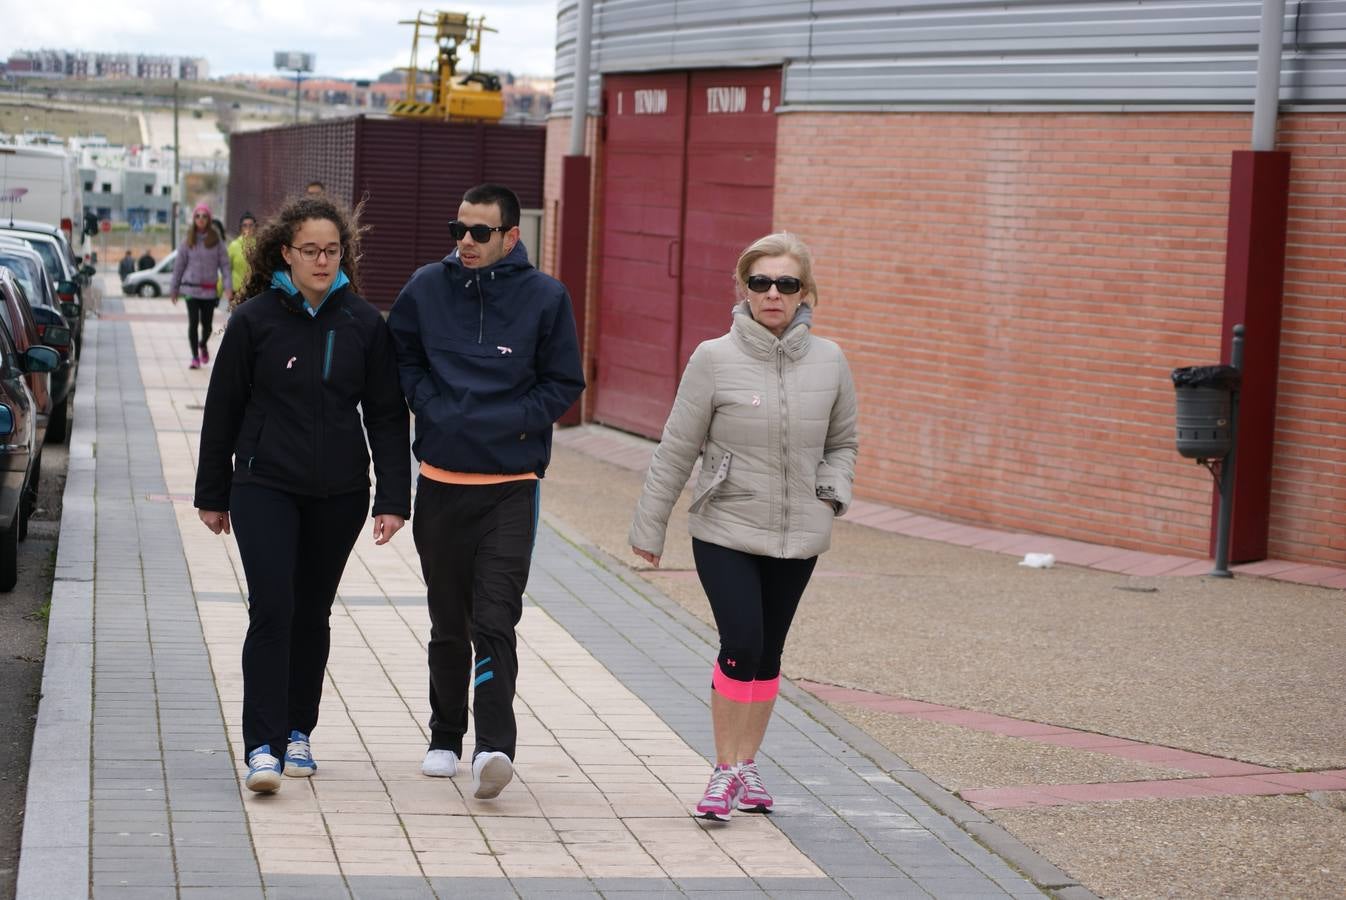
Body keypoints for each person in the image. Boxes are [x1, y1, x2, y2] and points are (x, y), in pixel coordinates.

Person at [628, 232, 858, 822]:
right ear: (744, 290)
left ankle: (747, 762)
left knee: (769, 653)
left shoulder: (831, 360)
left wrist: (831, 493)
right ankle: (725, 769)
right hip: (725, 526)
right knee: (742, 643)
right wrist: (649, 529)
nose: (772, 293)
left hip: (800, 532)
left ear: (805, 291)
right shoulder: (713, 358)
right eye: (760, 282)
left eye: (785, 283)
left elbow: (843, 442)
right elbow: (676, 449)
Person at [194, 194, 412, 794]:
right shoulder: (254, 321)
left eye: (332, 250)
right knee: (273, 607)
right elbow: (223, 410)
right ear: (285, 253)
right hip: (263, 484)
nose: (322, 260)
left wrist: (394, 497)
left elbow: (388, 416)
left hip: (339, 493)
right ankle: (261, 745)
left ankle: (297, 730)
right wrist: (213, 492)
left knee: (312, 612)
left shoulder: (364, 324)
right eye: (310, 250)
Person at [388, 183, 584, 800]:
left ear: (510, 236)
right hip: (441, 487)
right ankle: (445, 735)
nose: (465, 243)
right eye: (458, 229)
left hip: (510, 489)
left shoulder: (546, 297)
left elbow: (564, 381)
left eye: (479, 233)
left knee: (496, 618)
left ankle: (494, 745)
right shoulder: (425, 287)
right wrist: (431, 407)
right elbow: (401, 359)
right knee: (449, 622)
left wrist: (514, 420)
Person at [169, 203, 232, 369]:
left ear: (209, 219)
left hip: (209, 291)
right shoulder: (187, 241)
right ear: (194, 219)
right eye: (198, 216)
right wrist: (174, 289)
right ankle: (194, 357)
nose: (201, 219)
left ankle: (202, 343)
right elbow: (179, 266)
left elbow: (225, 266)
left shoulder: (216, 241)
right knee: (193, 322)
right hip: (190, 289)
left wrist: (227, 286)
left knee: (208, 325)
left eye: (204, 216)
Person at [227, 212, 257, 309]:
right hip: (237, 291)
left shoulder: (260, 244)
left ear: (255, 227)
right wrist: (226, 289)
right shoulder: (234, 245)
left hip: (255, 290)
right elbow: (226, 269)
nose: (248, 228)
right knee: (237, 321)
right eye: (245, 225)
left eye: (251, 225)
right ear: (241, 228)